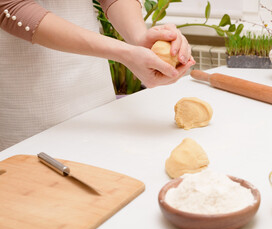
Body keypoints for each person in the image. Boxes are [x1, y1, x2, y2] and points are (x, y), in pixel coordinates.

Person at [0, 0, 195, 151]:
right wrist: (124, 53)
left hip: (93, 85)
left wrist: (139, 38)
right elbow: (10, 6)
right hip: (29, 96)